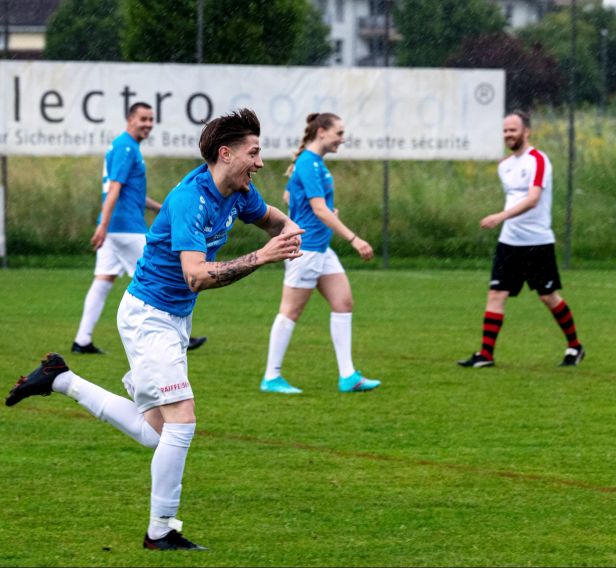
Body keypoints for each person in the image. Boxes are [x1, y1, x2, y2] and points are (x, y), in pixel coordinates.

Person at [6, 108, 303, 550]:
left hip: (172, 319)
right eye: (254, 152)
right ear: (226, 153)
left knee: (157, 433)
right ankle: (160, 530)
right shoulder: (190, 199)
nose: (260, 162)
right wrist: (262, 256)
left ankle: (61, 379)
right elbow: (196, 276)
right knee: (183, 421)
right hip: (149, 318)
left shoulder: (239, 191)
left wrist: (288, 227)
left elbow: (268, 216)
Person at [72, 102, 207, 355]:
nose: (147, 124)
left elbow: (129, 192)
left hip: (115, 226)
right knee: (165, 274)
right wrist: (102, 224)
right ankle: (178, 335)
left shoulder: (124, 145)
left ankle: (82, 340)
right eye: (143, 119)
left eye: (151, 119)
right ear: (130, 119)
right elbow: (114, 189)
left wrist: (159, 208)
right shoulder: (126, 147)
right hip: (125, 226)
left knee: (103, 280)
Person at [260, 112, 380, 394]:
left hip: (321, 248)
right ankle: (271, 376)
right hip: (307, 249)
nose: (342, 138)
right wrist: (354, 239)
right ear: (322, 132)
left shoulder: (313, 164)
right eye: (339, 132)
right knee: (290, 310)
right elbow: (318, 209)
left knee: (343, 302)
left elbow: (291, 198)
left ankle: (348, 376)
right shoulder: (309, 163)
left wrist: (320, 211)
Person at [457, 110, 584, 368]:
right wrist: (505, 221)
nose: (508, 135)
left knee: (548, 297)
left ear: (526, 131)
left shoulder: (538, 160)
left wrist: (501, 216)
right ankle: (486, 354)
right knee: (496, 293)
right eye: (505, 131)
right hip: (509, 243)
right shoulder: (504, 166)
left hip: (537, 242)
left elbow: (533, 198)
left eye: (512, 130)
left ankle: (575, 346)